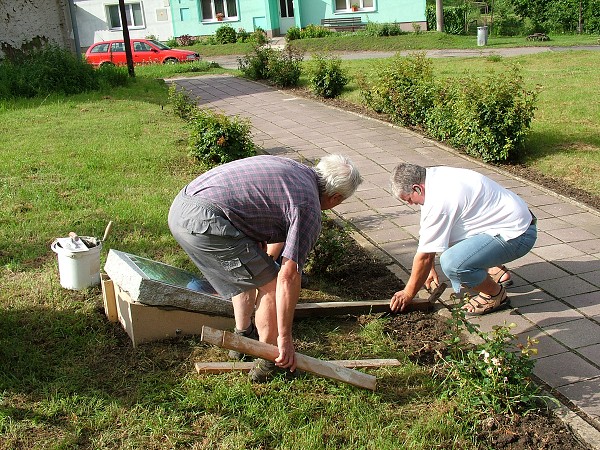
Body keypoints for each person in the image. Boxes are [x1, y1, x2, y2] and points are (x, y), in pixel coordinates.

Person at [168, 154, 362, 381]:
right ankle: (269, 360)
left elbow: (262, 208)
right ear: (336, 197)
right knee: (270, 285)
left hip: (183, 207)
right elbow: (288, 276)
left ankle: (243, 339)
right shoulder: (308, 206)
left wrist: (259, 250)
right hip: (204, 222)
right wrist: (285, 338)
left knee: (250, 272)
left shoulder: (294, 168)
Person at [388, 163, 537, 315]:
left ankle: (494, 294)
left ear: (417, 188)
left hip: (519, 235)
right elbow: (429, 234)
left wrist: (407, 293)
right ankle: (494, 269)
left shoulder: (439, 200)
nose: (411, 204)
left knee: (453, 264)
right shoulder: (434, 177)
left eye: (409, 199)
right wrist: (429, 269)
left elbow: (425, 256)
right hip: (510, 220)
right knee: (444, 236)